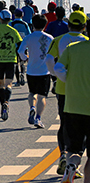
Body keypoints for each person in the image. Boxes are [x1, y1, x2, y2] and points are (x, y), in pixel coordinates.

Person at [46, 11, 88, 177]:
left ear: (68, 23)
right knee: (82, 127)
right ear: (84, 27)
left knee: (65, 122)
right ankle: (75, 163)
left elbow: (49, 60)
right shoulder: (86, 42)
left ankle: (64, 153)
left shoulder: (59, 40)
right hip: (83, 89)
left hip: (63, 88)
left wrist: (57, 78)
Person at [53, 38, 90, 183]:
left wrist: (69, 81)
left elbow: (57, 68)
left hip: (73, 106)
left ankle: (72, 166)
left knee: (74, 149)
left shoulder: (72, 48)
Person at [17, 14, 53, 128]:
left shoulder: (28, 37)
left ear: (33, 24)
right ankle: (38, 118)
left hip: (31, 70)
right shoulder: (50, 38)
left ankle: (32, 107)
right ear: (45, 24)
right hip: (44, 71)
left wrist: (25, 58)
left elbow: (20, 51)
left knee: (32, 93)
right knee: (42, 96)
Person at [0, 10, 22, 121]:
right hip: (11, 59)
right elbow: (20, 43)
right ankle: (7, 102)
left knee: (1, 83)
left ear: (0, 19)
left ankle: (3, 104)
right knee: (9, 84)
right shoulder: (13, 30)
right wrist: (20, 55)